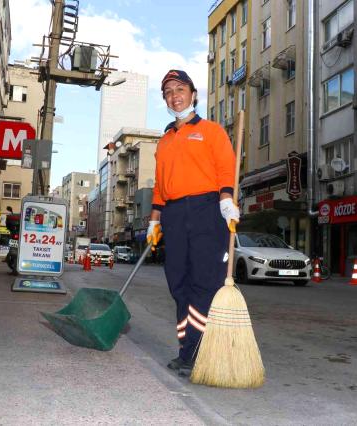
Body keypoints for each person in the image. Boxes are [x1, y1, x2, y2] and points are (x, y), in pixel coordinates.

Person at [147, 69, 240, 377]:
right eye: (168, 92)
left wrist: (226, 199)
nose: (175, 95)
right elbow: (160, 185)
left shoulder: (212, 131)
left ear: (193, 93)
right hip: (173, 214)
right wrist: (154, 220)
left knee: (204, 282)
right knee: (178, 284)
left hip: (206, 209)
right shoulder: (164, 141)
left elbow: (225, 166)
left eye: (180, 88)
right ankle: (187, 348)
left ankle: (194, 352)